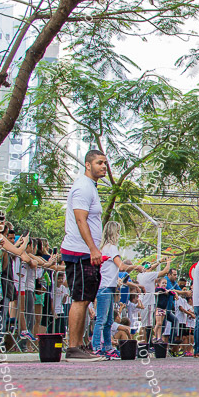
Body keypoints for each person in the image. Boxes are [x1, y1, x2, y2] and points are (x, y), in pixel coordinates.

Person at [60, 150, 108, 362]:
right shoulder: (83, 187)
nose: (104, 166)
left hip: (86, 252)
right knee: (80, 298)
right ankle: (72, 347)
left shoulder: (91, 187)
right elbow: (81, 220)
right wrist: (93, 249)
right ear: (88, 165)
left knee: (86, 297)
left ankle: (78, 345)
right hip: (79, 251)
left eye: (105, 163)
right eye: (99, 163)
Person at [92, 221, 144, 358]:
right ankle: (97, 346)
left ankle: (108, 347)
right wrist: (136, 267)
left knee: (109, 320)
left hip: (108, 287)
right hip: (105, 287)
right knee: (102, 320)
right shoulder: (111, 248)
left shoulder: (104, 248)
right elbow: (121, 266)